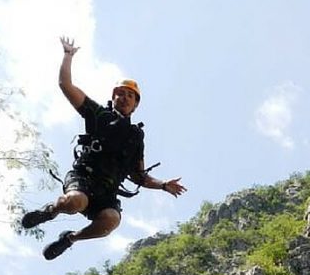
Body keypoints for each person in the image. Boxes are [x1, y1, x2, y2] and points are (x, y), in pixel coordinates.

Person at [21, 36, 186, 261]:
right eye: (121, 93)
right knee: (75, 202)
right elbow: (66, 86)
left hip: (106, 191)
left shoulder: (135, 137)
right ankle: (49, 211)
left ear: (136, 104)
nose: (125, 97)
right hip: (83, 178)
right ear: (113, 97)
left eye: (130, 95)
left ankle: (69, 239)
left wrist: (164, 185)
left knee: (111, 220)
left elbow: (139, 176)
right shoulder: (100, 115)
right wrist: (68, 56)